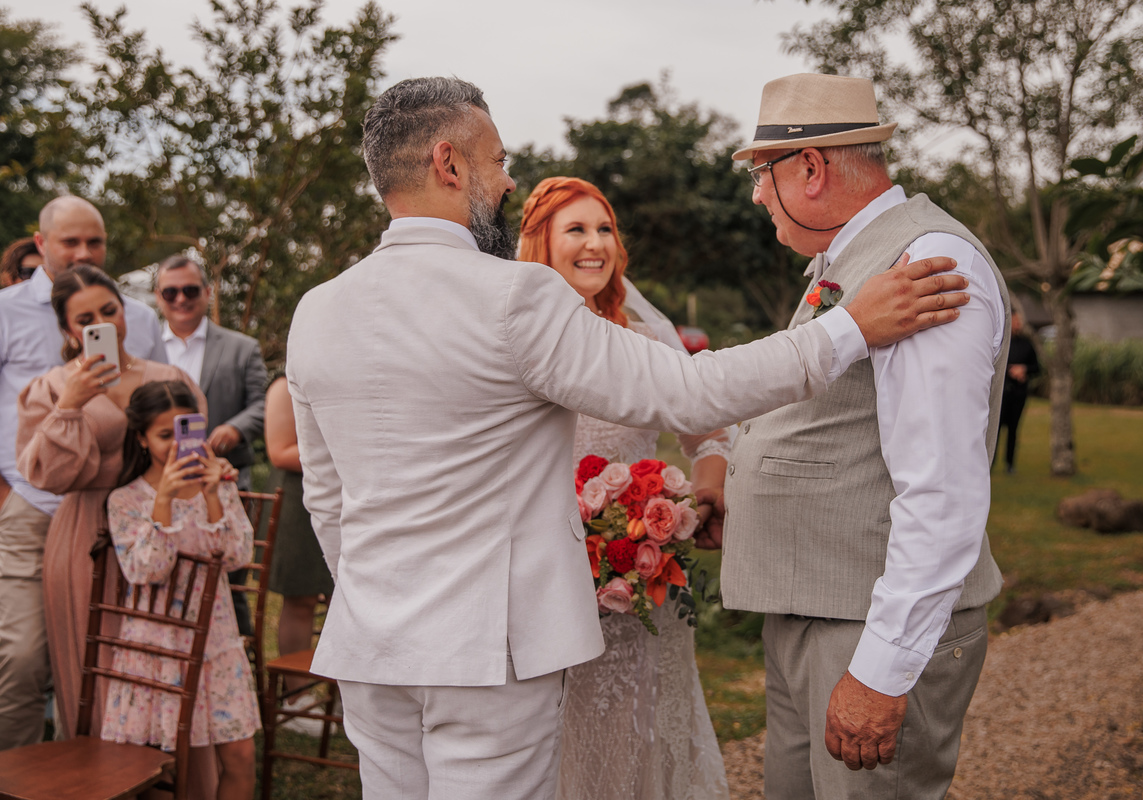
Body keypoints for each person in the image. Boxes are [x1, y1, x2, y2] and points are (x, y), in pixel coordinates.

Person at [285, 75, 970, 800]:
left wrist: (376, 595)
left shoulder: (316, 312)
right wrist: (849, 327)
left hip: (370, 645)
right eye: (496, 161)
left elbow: (328, 503)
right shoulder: (514, 297)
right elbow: (692, 390)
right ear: (448, 164)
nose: (508, 180)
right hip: (492, 653)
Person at [720, 73, 1010, 800]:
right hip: (818, 610)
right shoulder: (857, 253)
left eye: (762, 173)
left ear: (810, 168)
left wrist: (884, 668)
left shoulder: (925, 264)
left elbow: (941, 489)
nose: (757, 194)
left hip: (866, 623)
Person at [519, 176, 730, 800]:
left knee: (634, 729)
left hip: (638, 581)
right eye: (576, 230)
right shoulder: (519, 346)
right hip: (539, 580)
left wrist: (700, 497)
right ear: (540, 244)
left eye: (604, 229)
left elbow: (710, 433)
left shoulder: (642, 342)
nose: (595, 244)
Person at [0, 196, 166, 753]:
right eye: (71, 241)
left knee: (102, 660)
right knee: (19, 658)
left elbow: (165, 409)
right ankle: (10, 778)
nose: (84, 252)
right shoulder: (2, 310)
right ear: (41, 244)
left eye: (95, 242)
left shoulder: (137, 317)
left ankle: (89, 777)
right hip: (26, 506)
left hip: (117, 516)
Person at [15, 264, 204, 745]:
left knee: (165, 668)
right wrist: (71, 405)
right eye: (84, 319)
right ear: (67, 329)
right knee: (90, 672)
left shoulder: (168, 378)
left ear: (124, 312)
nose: (101, 323)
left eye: (109, 310)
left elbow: (194, 458)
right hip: (85, 537)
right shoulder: (53, 387)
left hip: (160, 525)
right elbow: (44, 475)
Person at [104, 380, 259, 800]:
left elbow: (237, 557)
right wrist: (164, 502)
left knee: (242, 758)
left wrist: (211, 495)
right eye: (163, 434)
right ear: (141, 438)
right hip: (155, 649)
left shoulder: (220, 484)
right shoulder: (125, 500)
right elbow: (145, 569)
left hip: (216, 642)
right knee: (153, 769)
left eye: (185, 430)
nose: (176, 444)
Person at [154, 254, 267, 637]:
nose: (181, 299)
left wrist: (236, 428)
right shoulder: (144, 349)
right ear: (158, 297)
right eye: (171, 292)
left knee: (228, 574)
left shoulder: (241, 347)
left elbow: (266, 404)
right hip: (162, 483)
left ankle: (236, 653)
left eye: (189, 290)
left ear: (206, 292)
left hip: (224, 478)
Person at [263, 372, 333, 730]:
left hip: (343, 498)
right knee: (300, 599)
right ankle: (297, 699)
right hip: (298, 503)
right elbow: (280, 451)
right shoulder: (283, 385)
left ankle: (346, 695)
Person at [998, 311, 1040, 474]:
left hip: (1019, 394)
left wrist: (1024, 369)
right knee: (996, 427)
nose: (1018, 324)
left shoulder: (1026, 344)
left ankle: (1009, 464)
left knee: (1013, 430)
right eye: (1015, 321)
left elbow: (1037, 367)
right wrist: (1010, 370)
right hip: (1002, 393)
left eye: (1019, 321)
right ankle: (990, 462)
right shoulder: (1001, 342)